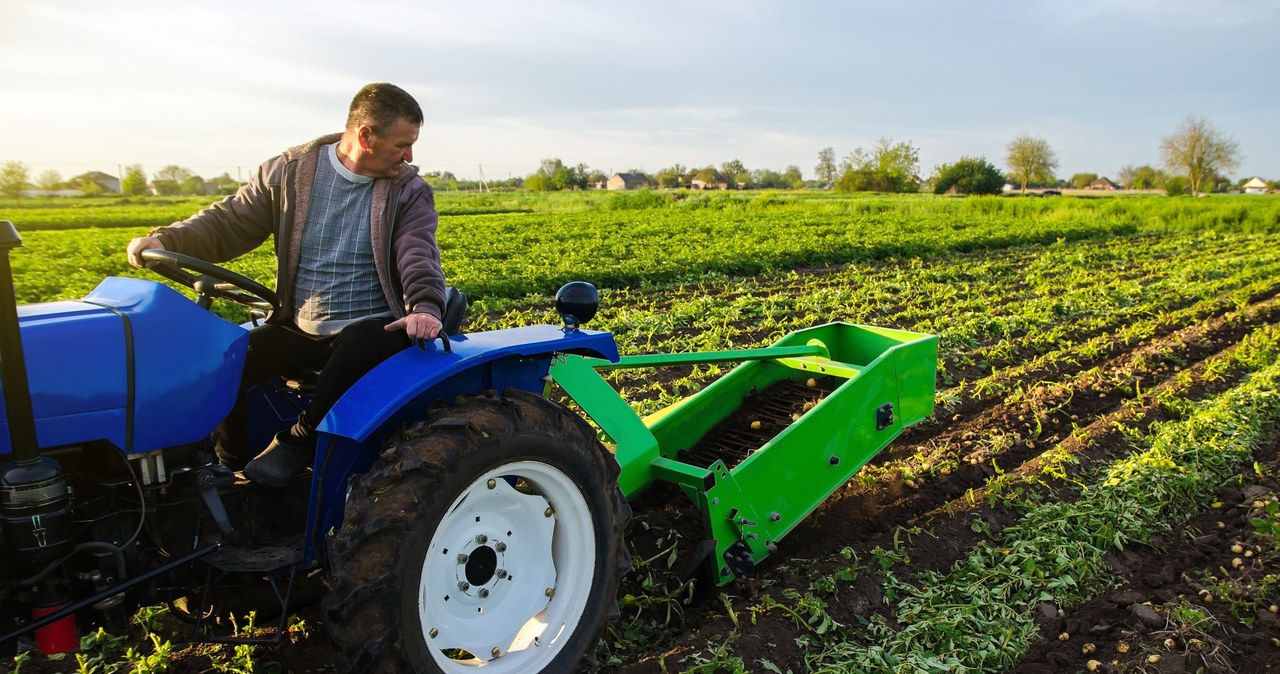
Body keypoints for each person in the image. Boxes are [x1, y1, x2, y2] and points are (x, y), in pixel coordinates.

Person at [126, 82, 445, 486]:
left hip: (374, 325)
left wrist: (424, 307)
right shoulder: (290, 173)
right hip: (302, 324)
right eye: (403, 144)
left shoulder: (408, 192)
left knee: (360, 344)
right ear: (366, 136)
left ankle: (299, 441)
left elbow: (417, 252)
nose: (410, 156)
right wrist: (166, 240)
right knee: (226, 359)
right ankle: (231, 467)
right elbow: (230, 220)